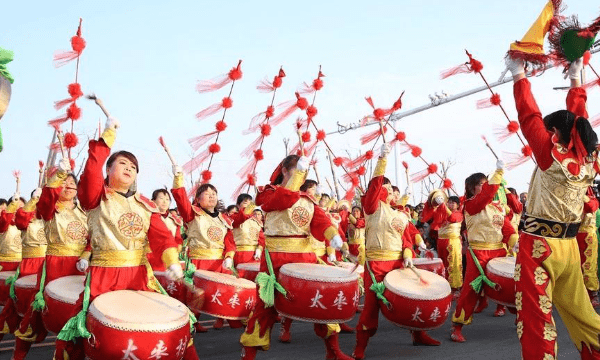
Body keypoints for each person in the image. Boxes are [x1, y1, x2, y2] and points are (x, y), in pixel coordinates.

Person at [56, 115, 195, 359]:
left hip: (140, 275)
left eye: (133, 167)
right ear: (108, 170)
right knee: (81, 333)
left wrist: (172, 260)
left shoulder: (146, 205)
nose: (129, 168)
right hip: (103, 276)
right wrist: (108, 136)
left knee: (167, 328)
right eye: (122, 163)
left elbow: (162, 237)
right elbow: (91, 172)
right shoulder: (97, 196)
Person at [506, 55, 600, 359]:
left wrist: (519, 74)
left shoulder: (552, 156)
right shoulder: (588, 161)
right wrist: (576, 79)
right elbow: (579, 119)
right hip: (569, 248)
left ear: (555, 134)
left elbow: (529, 116)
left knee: (536, 319)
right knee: (582, 314)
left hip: (539, 248)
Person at [240, 154, 350, 360]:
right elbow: (285, 199)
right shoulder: (267, 194)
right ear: (284, 171)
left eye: (304, 172)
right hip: (275, 260)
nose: (302, 176)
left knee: (321, 303)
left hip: (305, 259)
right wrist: (298, 174)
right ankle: (248, 355)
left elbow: (320, 221)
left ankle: (333, 351)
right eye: (298, 170)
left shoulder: (308, 200)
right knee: (265, 307)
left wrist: (333, 236)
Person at [353, 144, 440, 360]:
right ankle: (360, 346)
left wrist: (409, 256)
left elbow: (406, 241)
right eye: (388, 188)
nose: (392, 192)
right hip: (376, 266)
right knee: (371, 308)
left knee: (412, 301)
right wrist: (382, 159)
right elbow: (373, 187)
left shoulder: (401, 215)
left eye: (392, 189)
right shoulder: (373, 209)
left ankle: (418, 334)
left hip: (399, 265)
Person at [450, 161, 517, 342]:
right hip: (478, 253)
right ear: (472, 188)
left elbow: (507, 229)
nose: (486, 186)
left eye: (486, 182)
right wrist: (498, 173)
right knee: (470, 290)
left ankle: (520, 317)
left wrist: (514, 242)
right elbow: (487, 194)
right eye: (482, 183)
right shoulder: (471, 205)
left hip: (499, 251)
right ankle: (457, 326)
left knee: (511, 285)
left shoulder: (497, 208)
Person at [171, 168, 238, 331]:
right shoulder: (192, 214)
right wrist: (179, 178)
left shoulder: (224, 219)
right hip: (199, 260)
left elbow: (229, 241)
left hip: (219, 262)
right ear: (198, 199)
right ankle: (194, 321)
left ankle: (224, 318)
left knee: (224, 291)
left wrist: (229, 256)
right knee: (198, 294)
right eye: (207, 194)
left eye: (214, 193)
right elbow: (181, 200)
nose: (211, 196)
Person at [0, 188, 46, 358]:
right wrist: (30, 201)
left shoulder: (49, 218)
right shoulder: (24, 220)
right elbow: (16, 219)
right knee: (16, 313)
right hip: (28, 267)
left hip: (47, 267)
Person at [148, 188, 184, 271]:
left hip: (170, 259)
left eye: (167, 199)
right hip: (151, 259)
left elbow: (178, 239)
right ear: (153, 201)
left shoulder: (175, 220)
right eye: (161, 198)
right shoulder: (147, 216)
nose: (165, 202)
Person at [230, 193, 265, 266]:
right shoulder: (234, 217)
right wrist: (245, 209)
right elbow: (241, 217)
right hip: (239, 255)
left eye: (249, 200)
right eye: (243, 200)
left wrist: (259, 249)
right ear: (238, 204)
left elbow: (261, 239)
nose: (246, 201)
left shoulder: (256, 222)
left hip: (254, 256)